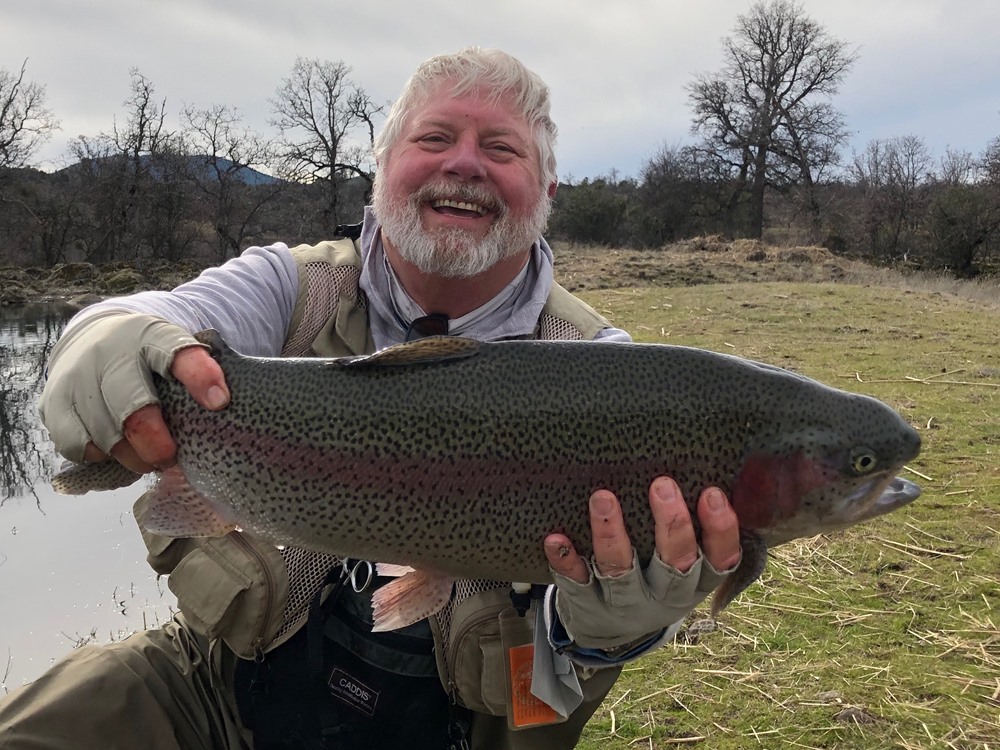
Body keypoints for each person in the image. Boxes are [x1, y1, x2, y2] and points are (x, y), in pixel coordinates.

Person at [0, 47, 741, 750]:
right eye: (437, 137)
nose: (463, 163)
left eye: (502, 149)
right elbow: (144, 317)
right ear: (380, 172)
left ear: (546, 195)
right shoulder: (293, 287)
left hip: (469, 731)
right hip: (223, 696)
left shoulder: (609, 380)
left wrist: (614, 629)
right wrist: (100, 337)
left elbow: (557, 676)